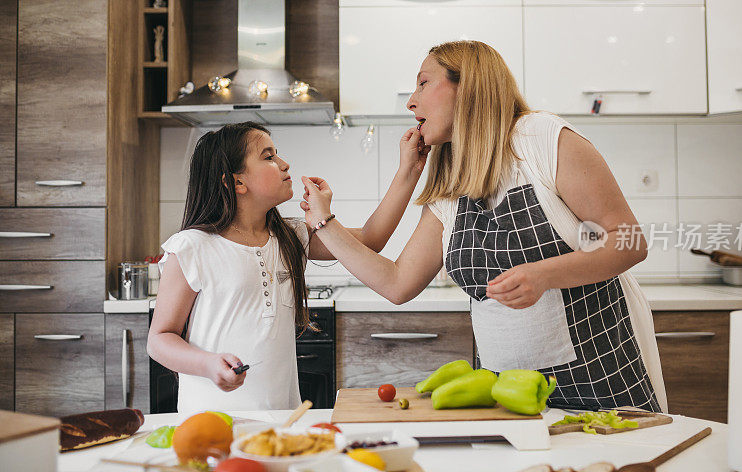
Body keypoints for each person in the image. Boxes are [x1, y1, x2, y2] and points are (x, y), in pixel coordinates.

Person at [300, 41, 668, 412]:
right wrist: (324, 223)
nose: (411, 102)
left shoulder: (541, 138)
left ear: (469, 86)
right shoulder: (451, 186)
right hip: (506, 395)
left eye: (424, 83)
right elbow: (397, 284)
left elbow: (630, 242)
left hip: (602, 380)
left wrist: (544, 274)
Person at [147, 121, 429, 412]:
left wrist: (409, 170)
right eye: (269, 157)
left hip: (284, 417)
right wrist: (206, 363)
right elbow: (159, 339)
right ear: (237, 183)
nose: (284, 164)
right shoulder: (191, 246)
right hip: (211, 420)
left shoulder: (291, 236)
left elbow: (371, 239)